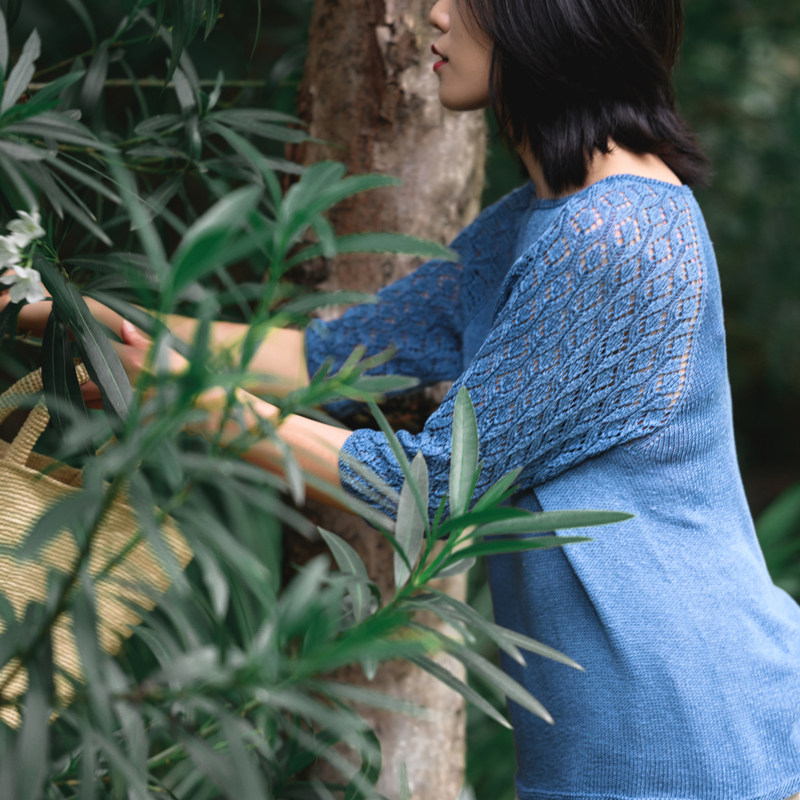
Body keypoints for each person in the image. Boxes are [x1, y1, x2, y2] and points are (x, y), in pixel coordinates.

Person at [9, 0, 800, 797]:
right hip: (624, 732)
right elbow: (325, 357)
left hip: (686, 737)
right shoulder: (546, 217)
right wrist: (84, 320)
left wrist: (191, 402)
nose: (435, 14)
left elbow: (430, 486)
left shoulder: (613, 240)